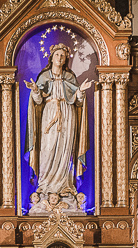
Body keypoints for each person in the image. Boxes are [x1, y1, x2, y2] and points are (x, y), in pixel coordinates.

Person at [24, 42, 90, 196]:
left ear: (66, 58)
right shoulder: (44, 77)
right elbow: (38, 101)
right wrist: (35, 91)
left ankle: (65, 185)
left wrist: (80, 91)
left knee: (65, 150)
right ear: (51, 58)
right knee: (47, 148)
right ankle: (45, 184)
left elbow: (78, 102)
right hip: (49, 114)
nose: (60, 58)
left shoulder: (70, 77)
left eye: (63, 55)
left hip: (67, 115)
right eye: (57, 55)